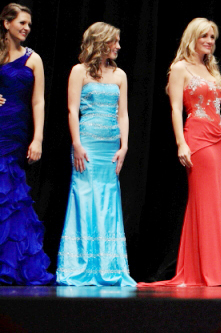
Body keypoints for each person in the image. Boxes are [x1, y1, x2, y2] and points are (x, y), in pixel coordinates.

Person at [139, 18, 221, 287]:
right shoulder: (180, 68)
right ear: (192, 37)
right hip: (197, 138)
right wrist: (181, 143)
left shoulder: (210, 68)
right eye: (204, 36)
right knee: (204, 202)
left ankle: (207, 269)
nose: (209, 41)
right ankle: (202, 271)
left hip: (216, 139)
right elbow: (175, 109)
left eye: (212, 37)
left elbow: (217, 111)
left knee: (213, 203)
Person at [56, 22, 135, 286]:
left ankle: (108, 265)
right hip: (87, 144)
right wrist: (77, 143)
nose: (119, 46)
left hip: (110, 148)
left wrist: (124, 146)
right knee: (84, 197)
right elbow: (72, 109)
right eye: (115, 41)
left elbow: (123, 114)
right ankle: (80, 265)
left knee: (108, 201)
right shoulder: (79, 71)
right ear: (100, 41)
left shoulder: (120, 75)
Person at [0, 3, 54, 285]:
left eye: (29, 24)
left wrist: (38, 138)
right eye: (22, 22)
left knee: (11, 193)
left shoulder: (34, 59)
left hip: (15, 132)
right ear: (6, 23)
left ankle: (10, 264)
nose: (26, 28)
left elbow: (38, 101)